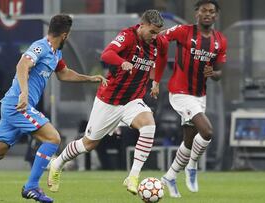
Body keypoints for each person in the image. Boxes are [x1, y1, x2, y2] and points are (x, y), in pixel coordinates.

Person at [0, 14, 107, 203]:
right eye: (67, 35)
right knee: (52, 138)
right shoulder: (41, 46)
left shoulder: (56, 53)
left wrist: (90, 78)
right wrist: (24, 92)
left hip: (14, 106)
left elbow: (63, 74)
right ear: (64, 35)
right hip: (18, 105)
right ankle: (31, 187)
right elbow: (23, 64)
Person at [48, 9, 168, 195]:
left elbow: (162, 58)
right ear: (142, 25)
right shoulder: (127, 36)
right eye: (152, 32)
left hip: (132, 100)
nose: (155, 36)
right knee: (88, 144)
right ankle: (58, 163)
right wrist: (122, 62)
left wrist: (156, 81)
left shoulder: (158, 41)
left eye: (157, 32)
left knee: (149, 125)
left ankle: (133, 176)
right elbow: (106, 54)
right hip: (109, 101)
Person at [152, 0, 227, 198]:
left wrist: (214, 73)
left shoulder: (220, 40)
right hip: (180, 92)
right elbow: (160, 39)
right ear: (197, 13)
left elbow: (219, 73)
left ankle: (169, 176)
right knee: (207, 131)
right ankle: (192, 166)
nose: (208, 14)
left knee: (189, 139)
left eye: (212, 11)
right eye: (204, 11)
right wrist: (154, 69)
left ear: (216, 16)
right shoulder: (183, 31)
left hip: (200, 94)